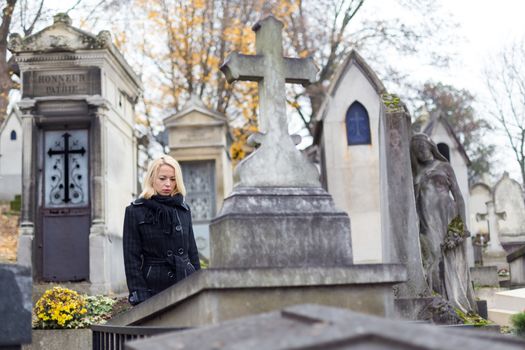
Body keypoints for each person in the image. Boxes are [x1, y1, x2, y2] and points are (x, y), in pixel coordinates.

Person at [410, 133, 477, 314]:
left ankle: (453, 302)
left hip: (447, 217)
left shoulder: (444, 166)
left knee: (451, 258)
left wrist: (462, 225)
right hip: (427, 221)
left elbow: (458, 196)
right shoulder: (415, 173)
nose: (421, 152)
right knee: (431, 257)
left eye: (423, 147)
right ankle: (438, 302)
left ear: (431, 147)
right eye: (417, 150)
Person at [123, 155, 200, 305]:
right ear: (152, 179)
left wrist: (199, 282)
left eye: (172, 179)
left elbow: (192, 252)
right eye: (162, 178)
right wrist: (139, 293)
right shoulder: (135, 211)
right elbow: (131, 258)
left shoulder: (183, 210)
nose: (168, 184)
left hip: (185, 280)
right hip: (154, 284)